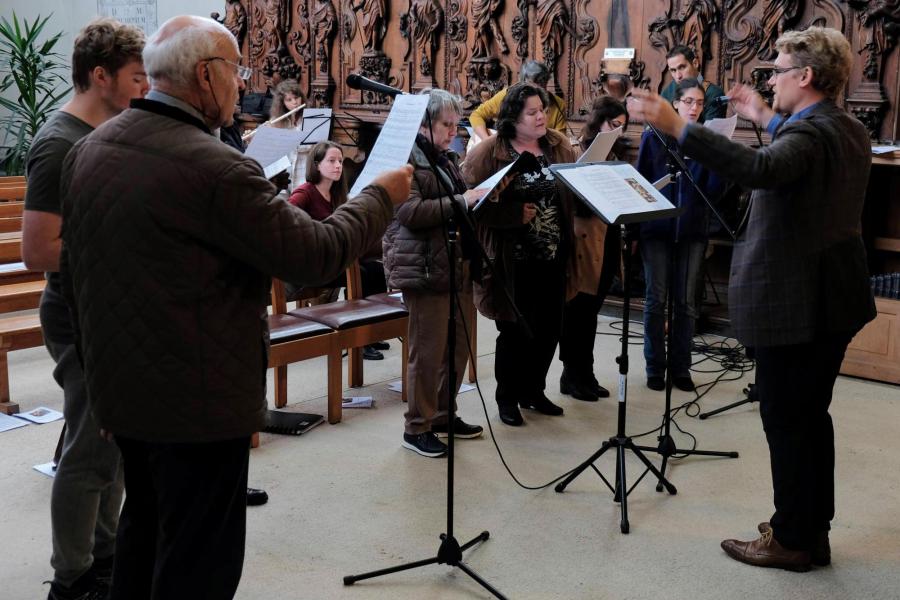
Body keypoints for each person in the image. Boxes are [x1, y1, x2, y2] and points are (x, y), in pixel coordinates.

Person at [58, 16, 412, 599]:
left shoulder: (92, 150)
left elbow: (78, 281)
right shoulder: (215, 167)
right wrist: (379, 195)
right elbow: (314, 257)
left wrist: (98, 383)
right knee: (199, 562)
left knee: (142, 535)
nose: (240, 81)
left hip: (123, 394)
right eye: (235, 69)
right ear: (205, 75)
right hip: (198, 403)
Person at [631, 27, 875, 572]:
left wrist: (680, 127)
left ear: (805, 76)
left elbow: (766, 168)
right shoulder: (842, 125)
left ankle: (791, 538)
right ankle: (812, 530)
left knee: (788, 419)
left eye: (778, 70)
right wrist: (764, 117)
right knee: (811, 418)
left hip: (800, 302)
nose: (770, 79)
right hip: (833, 298)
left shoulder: (809, 135)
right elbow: (793, 151)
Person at [21, 18, 147, 600]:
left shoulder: (109, 135)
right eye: (136, 76)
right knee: (88, 448)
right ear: (101, 76)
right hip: (77, 311)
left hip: (112, 308)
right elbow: (38, 250)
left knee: (115, 442)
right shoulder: (59, 144)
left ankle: (104, 553)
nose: (145, 87)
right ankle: (71, 579)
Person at [463, 82, 577, 427]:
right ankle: (507, 398)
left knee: (549, 329)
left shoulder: (557, 146)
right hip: (511, 259)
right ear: (513, 117)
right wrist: (512, 216)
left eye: (542, 109)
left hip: (554, 253)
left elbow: (569, 191)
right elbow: (471, 205)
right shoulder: (488, 153)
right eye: (533, 112)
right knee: (514, 331)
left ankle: (533, 391)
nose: (541, 116)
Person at [383, 89, 487, 457]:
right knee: (426, 353)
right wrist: (462, 201)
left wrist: (477, 196)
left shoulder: (444, 159)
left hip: (455, 265)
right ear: (424, 123)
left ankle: (444, 414)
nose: (452, 131)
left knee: (458, 348)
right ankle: (417, 427)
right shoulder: (405, 160)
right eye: (446, 124)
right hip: (423, 268)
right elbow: (408, 213)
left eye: (455, 124)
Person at [636, 78, 726, 393]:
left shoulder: (704, 140)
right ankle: (654, 367)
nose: (694, 108)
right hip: (657, 230)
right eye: (688, 102)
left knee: (686, 303)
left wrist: (716, 163)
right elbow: (642, 182)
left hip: (692, 230)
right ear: (675, 103)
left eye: (700, 103)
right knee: (656, 300)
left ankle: (681, 367)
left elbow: (712, 192)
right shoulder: (654, 137)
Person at [289, 141, 391, 360]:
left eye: (339, 161)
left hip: (336, 258)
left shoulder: (337, 194)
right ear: (316, 165)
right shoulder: (304, 193)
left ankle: (369, 332)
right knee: (363, 275)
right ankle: (359, 339)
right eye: (331, 161)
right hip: (317, 264)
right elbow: (289, 221)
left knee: (376, 270)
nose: (337, 166)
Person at [557, 96, 629, 402]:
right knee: (578, 312)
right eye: (614, 125)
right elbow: (568, 200)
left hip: (608, 235)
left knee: (592, 311)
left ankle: (585, 373)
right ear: (598, 122)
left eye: (623, 127)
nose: (618, 132)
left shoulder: (615, 153)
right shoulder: (577, 149)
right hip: (585, 239)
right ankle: (572, 375)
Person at [469, 60, 567, 141]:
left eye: (543, 82)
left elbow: (559, 139)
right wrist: (486, 140)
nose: (540, 87)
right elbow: (476, 115)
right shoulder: (506, 96)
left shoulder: (558, 104)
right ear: (523, 82)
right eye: (535, 82)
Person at [659, 45, 726, 123]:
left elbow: (711, 133)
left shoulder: (714, 94)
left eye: (682, 67)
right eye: (673, 70)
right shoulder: (668, 91)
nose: (678, 76)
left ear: (695, 63)